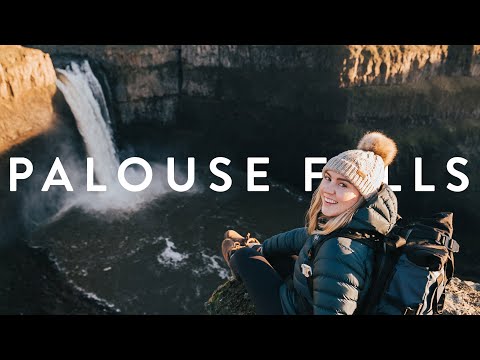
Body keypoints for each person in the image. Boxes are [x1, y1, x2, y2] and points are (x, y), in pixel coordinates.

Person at [221, 131, 399, 315]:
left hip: (292, 308)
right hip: (309, 295)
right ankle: (257, 249)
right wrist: (263, 249)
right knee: (282, 254)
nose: (328, 190)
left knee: (244, 258)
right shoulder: (365, 225)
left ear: (364, 196)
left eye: (343, 184)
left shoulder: (338, 251)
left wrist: (248, 255)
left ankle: (237, 252)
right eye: (328, 178)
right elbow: (306, 236)